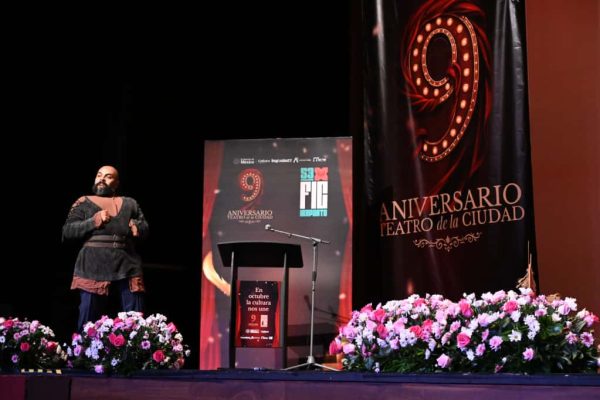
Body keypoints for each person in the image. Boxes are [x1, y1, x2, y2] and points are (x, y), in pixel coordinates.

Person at [62, 165, 149, 330]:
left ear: (116, 183)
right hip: (93, 263)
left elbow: (145, 228)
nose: (101, 179)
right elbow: (67, 231)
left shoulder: (130, 203)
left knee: (135, 320)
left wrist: (137, 226)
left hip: (126, 262)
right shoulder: (83, 202)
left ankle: (134, 345)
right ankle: (85, 346)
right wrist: (93, 221)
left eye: (108, 176)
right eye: (99, 175)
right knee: (88, 321)